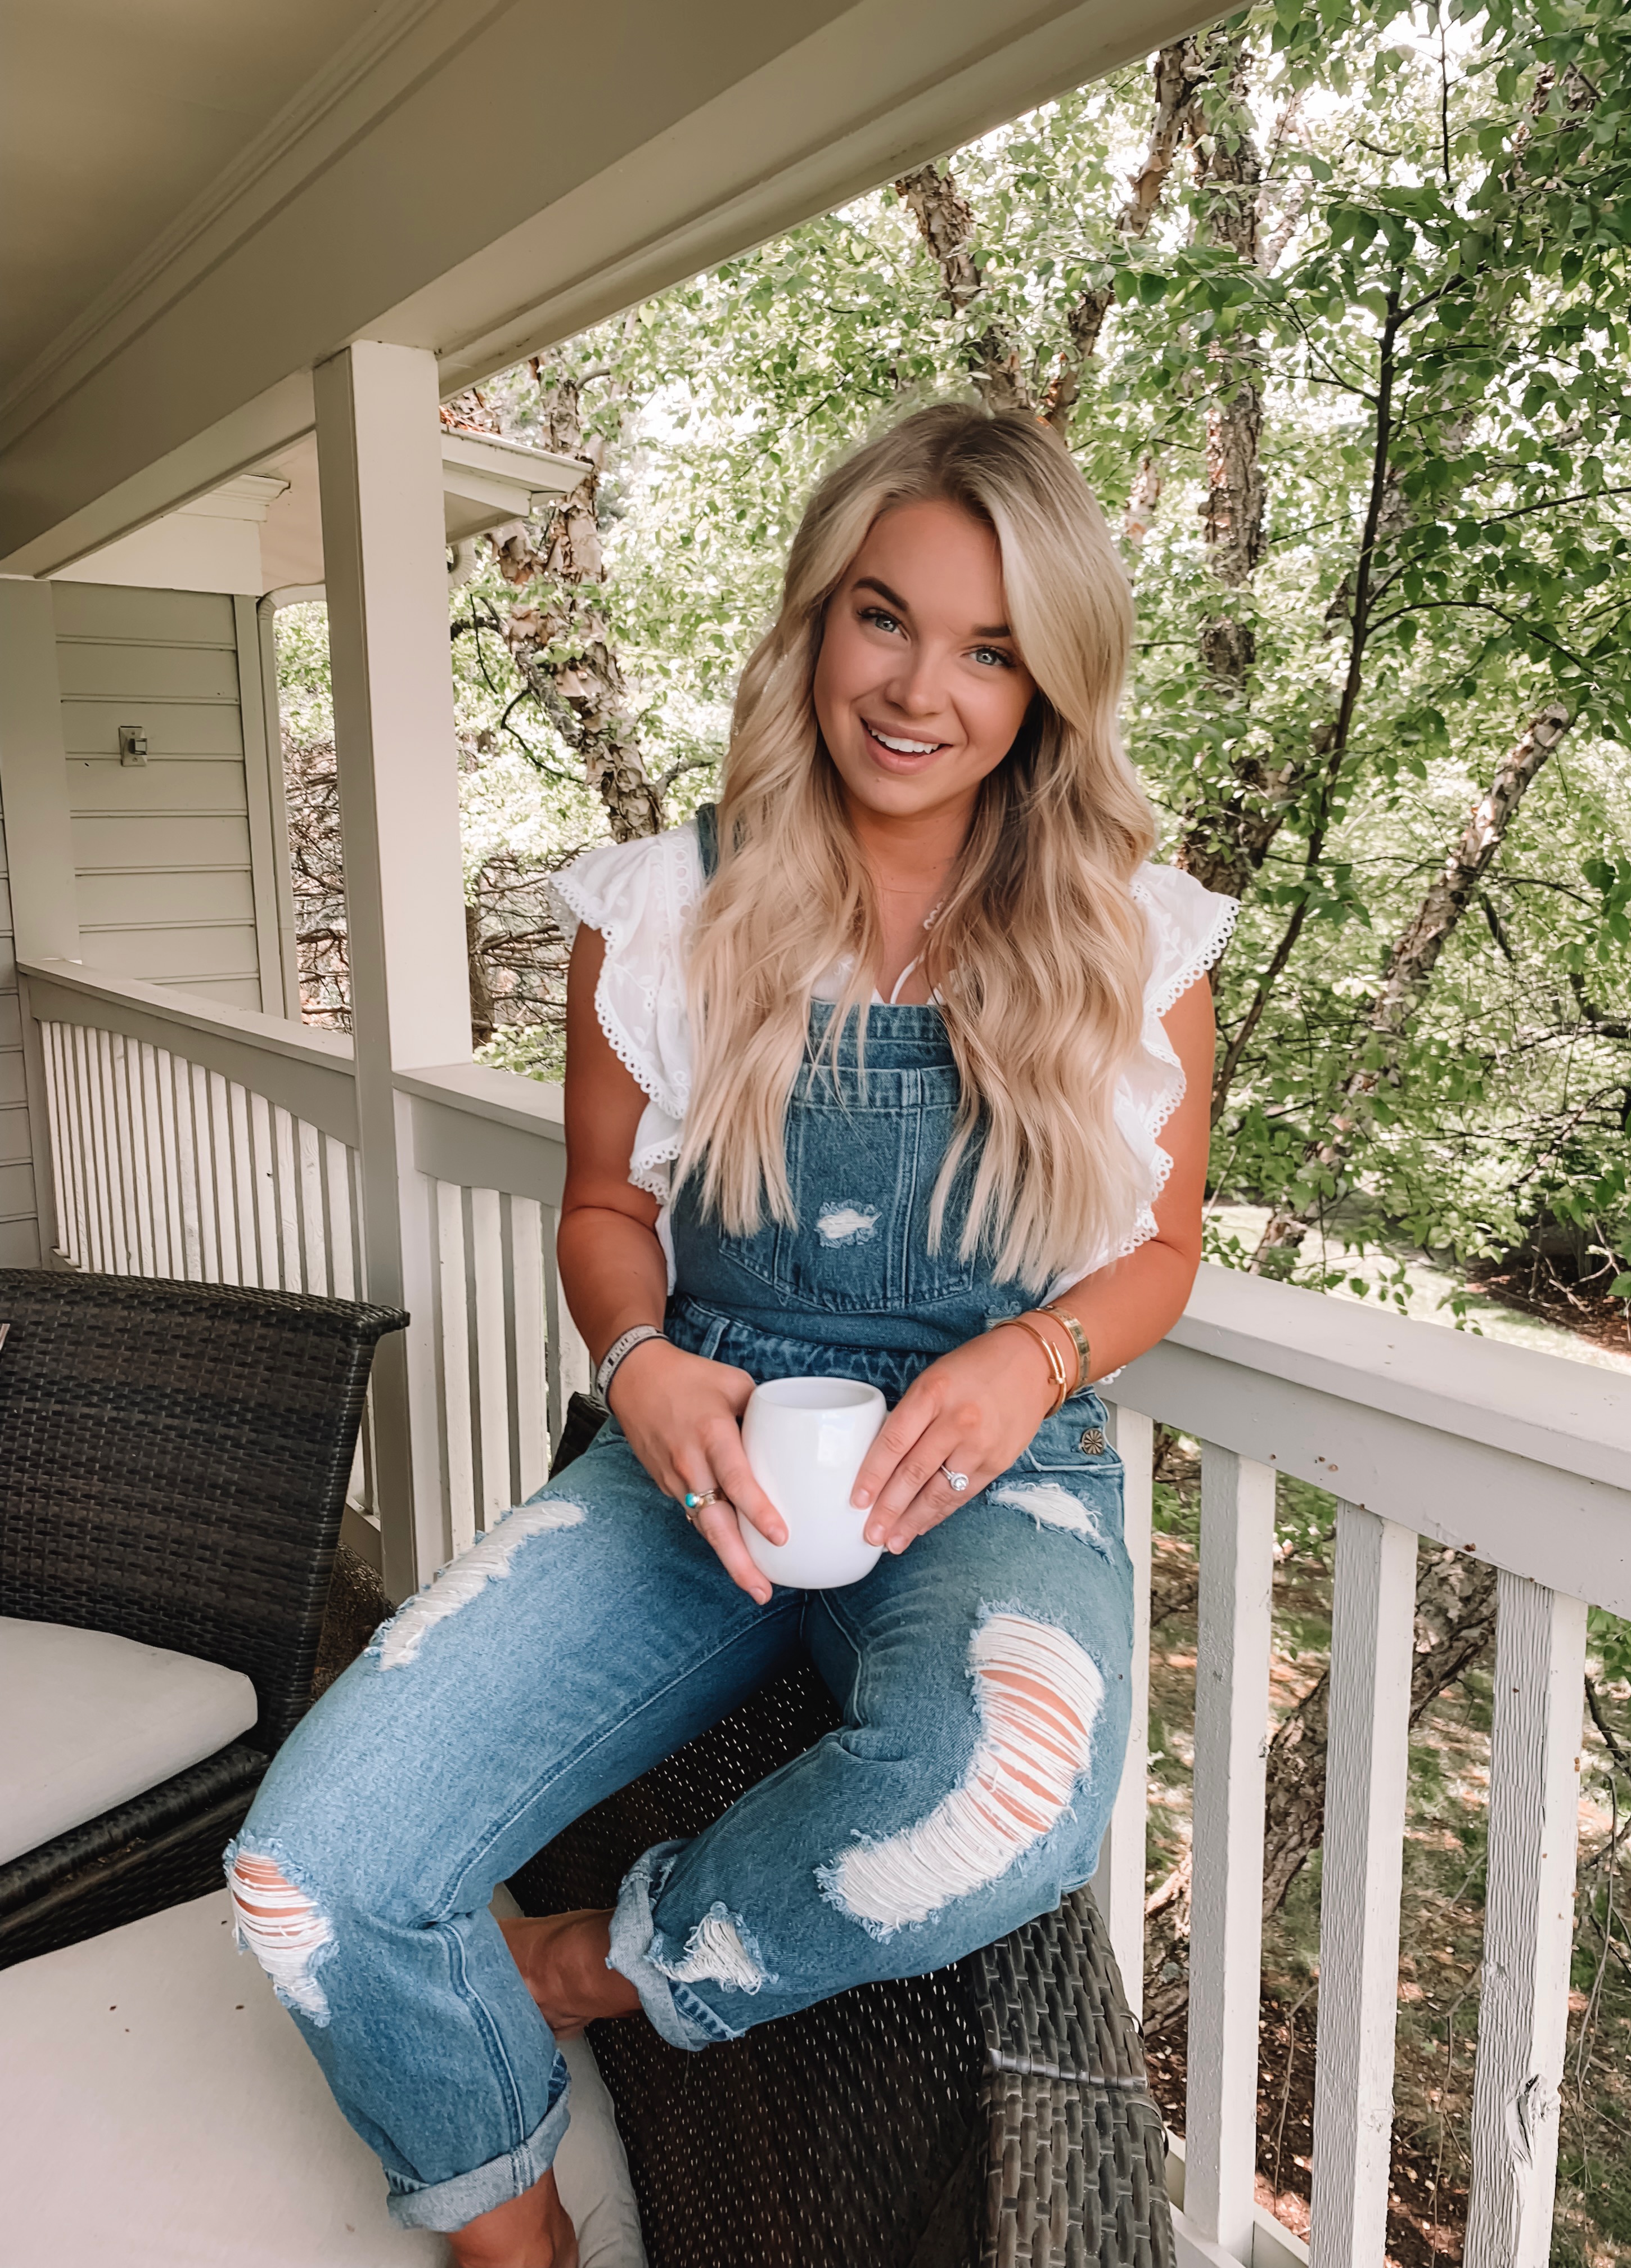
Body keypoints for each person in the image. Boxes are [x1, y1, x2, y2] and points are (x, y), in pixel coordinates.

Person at [225, 402, 1234, 2268]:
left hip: (995, 1472)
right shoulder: (662, 909)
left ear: (1050, 684)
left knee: (999, 1795)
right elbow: (606, 1213)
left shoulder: (1130, 938)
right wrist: (642, 1366)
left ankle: (582, 1970)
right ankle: (511, 2228)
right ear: (813, 623)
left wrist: (1035, 1362)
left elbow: (1160, 1250)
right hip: (698, 1453)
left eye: (991, 647)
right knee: (314, 1877)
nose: (922, 687)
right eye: (884, 616)